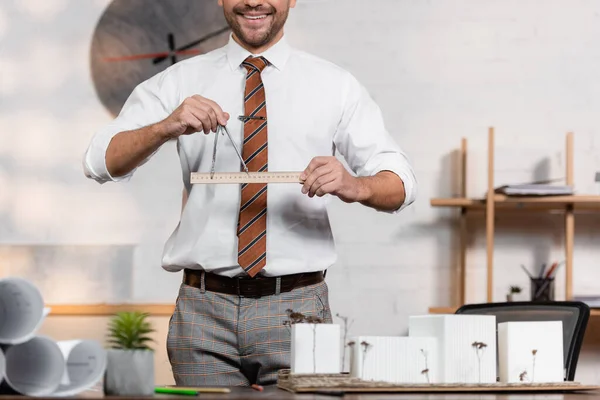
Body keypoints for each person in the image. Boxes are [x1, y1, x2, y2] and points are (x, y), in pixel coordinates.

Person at [83, 0, 417, 387]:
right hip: (203, 313)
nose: (254, 1)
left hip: (298, 310)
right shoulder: (178, 82)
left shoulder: (335, 85)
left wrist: (355, 184)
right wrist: (165, 126)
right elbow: (98, 161)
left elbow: (402, 184)